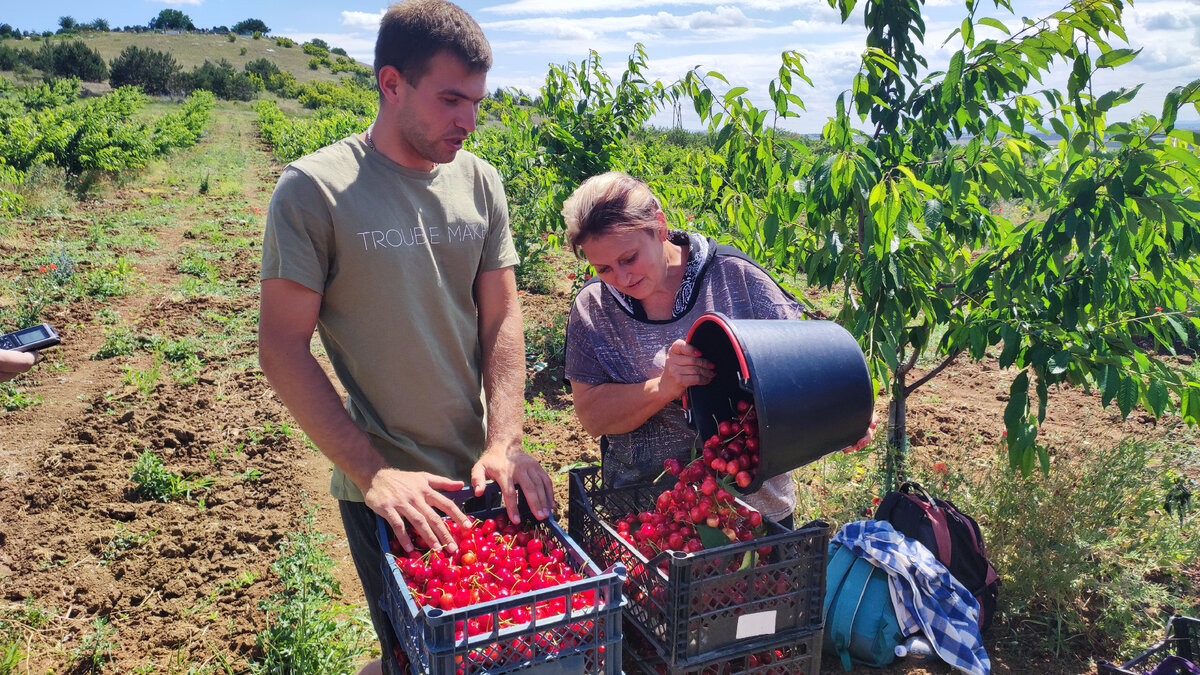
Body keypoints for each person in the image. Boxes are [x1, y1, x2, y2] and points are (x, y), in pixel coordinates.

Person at [257, 2, 554, 672]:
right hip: (394, 492)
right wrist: (373, 473)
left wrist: (505, 440)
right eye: (451, 99)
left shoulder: (481, 181)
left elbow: (503, 317)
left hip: (483, 478)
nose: (468, 122)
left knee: (512, 650)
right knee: (417, 657)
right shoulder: (314, 191)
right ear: (391, 83)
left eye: (477, 102)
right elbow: (280, 347)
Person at [562, 171, 876, 527]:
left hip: (753, 517)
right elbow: (592, 416)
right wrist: (661, 388)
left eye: (629, 258)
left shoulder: (735, 278)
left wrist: (844, 413)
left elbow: (803, 369)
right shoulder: (594, 308)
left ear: (660, 227)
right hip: (646, 520)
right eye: (603, 268)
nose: (621, 278)